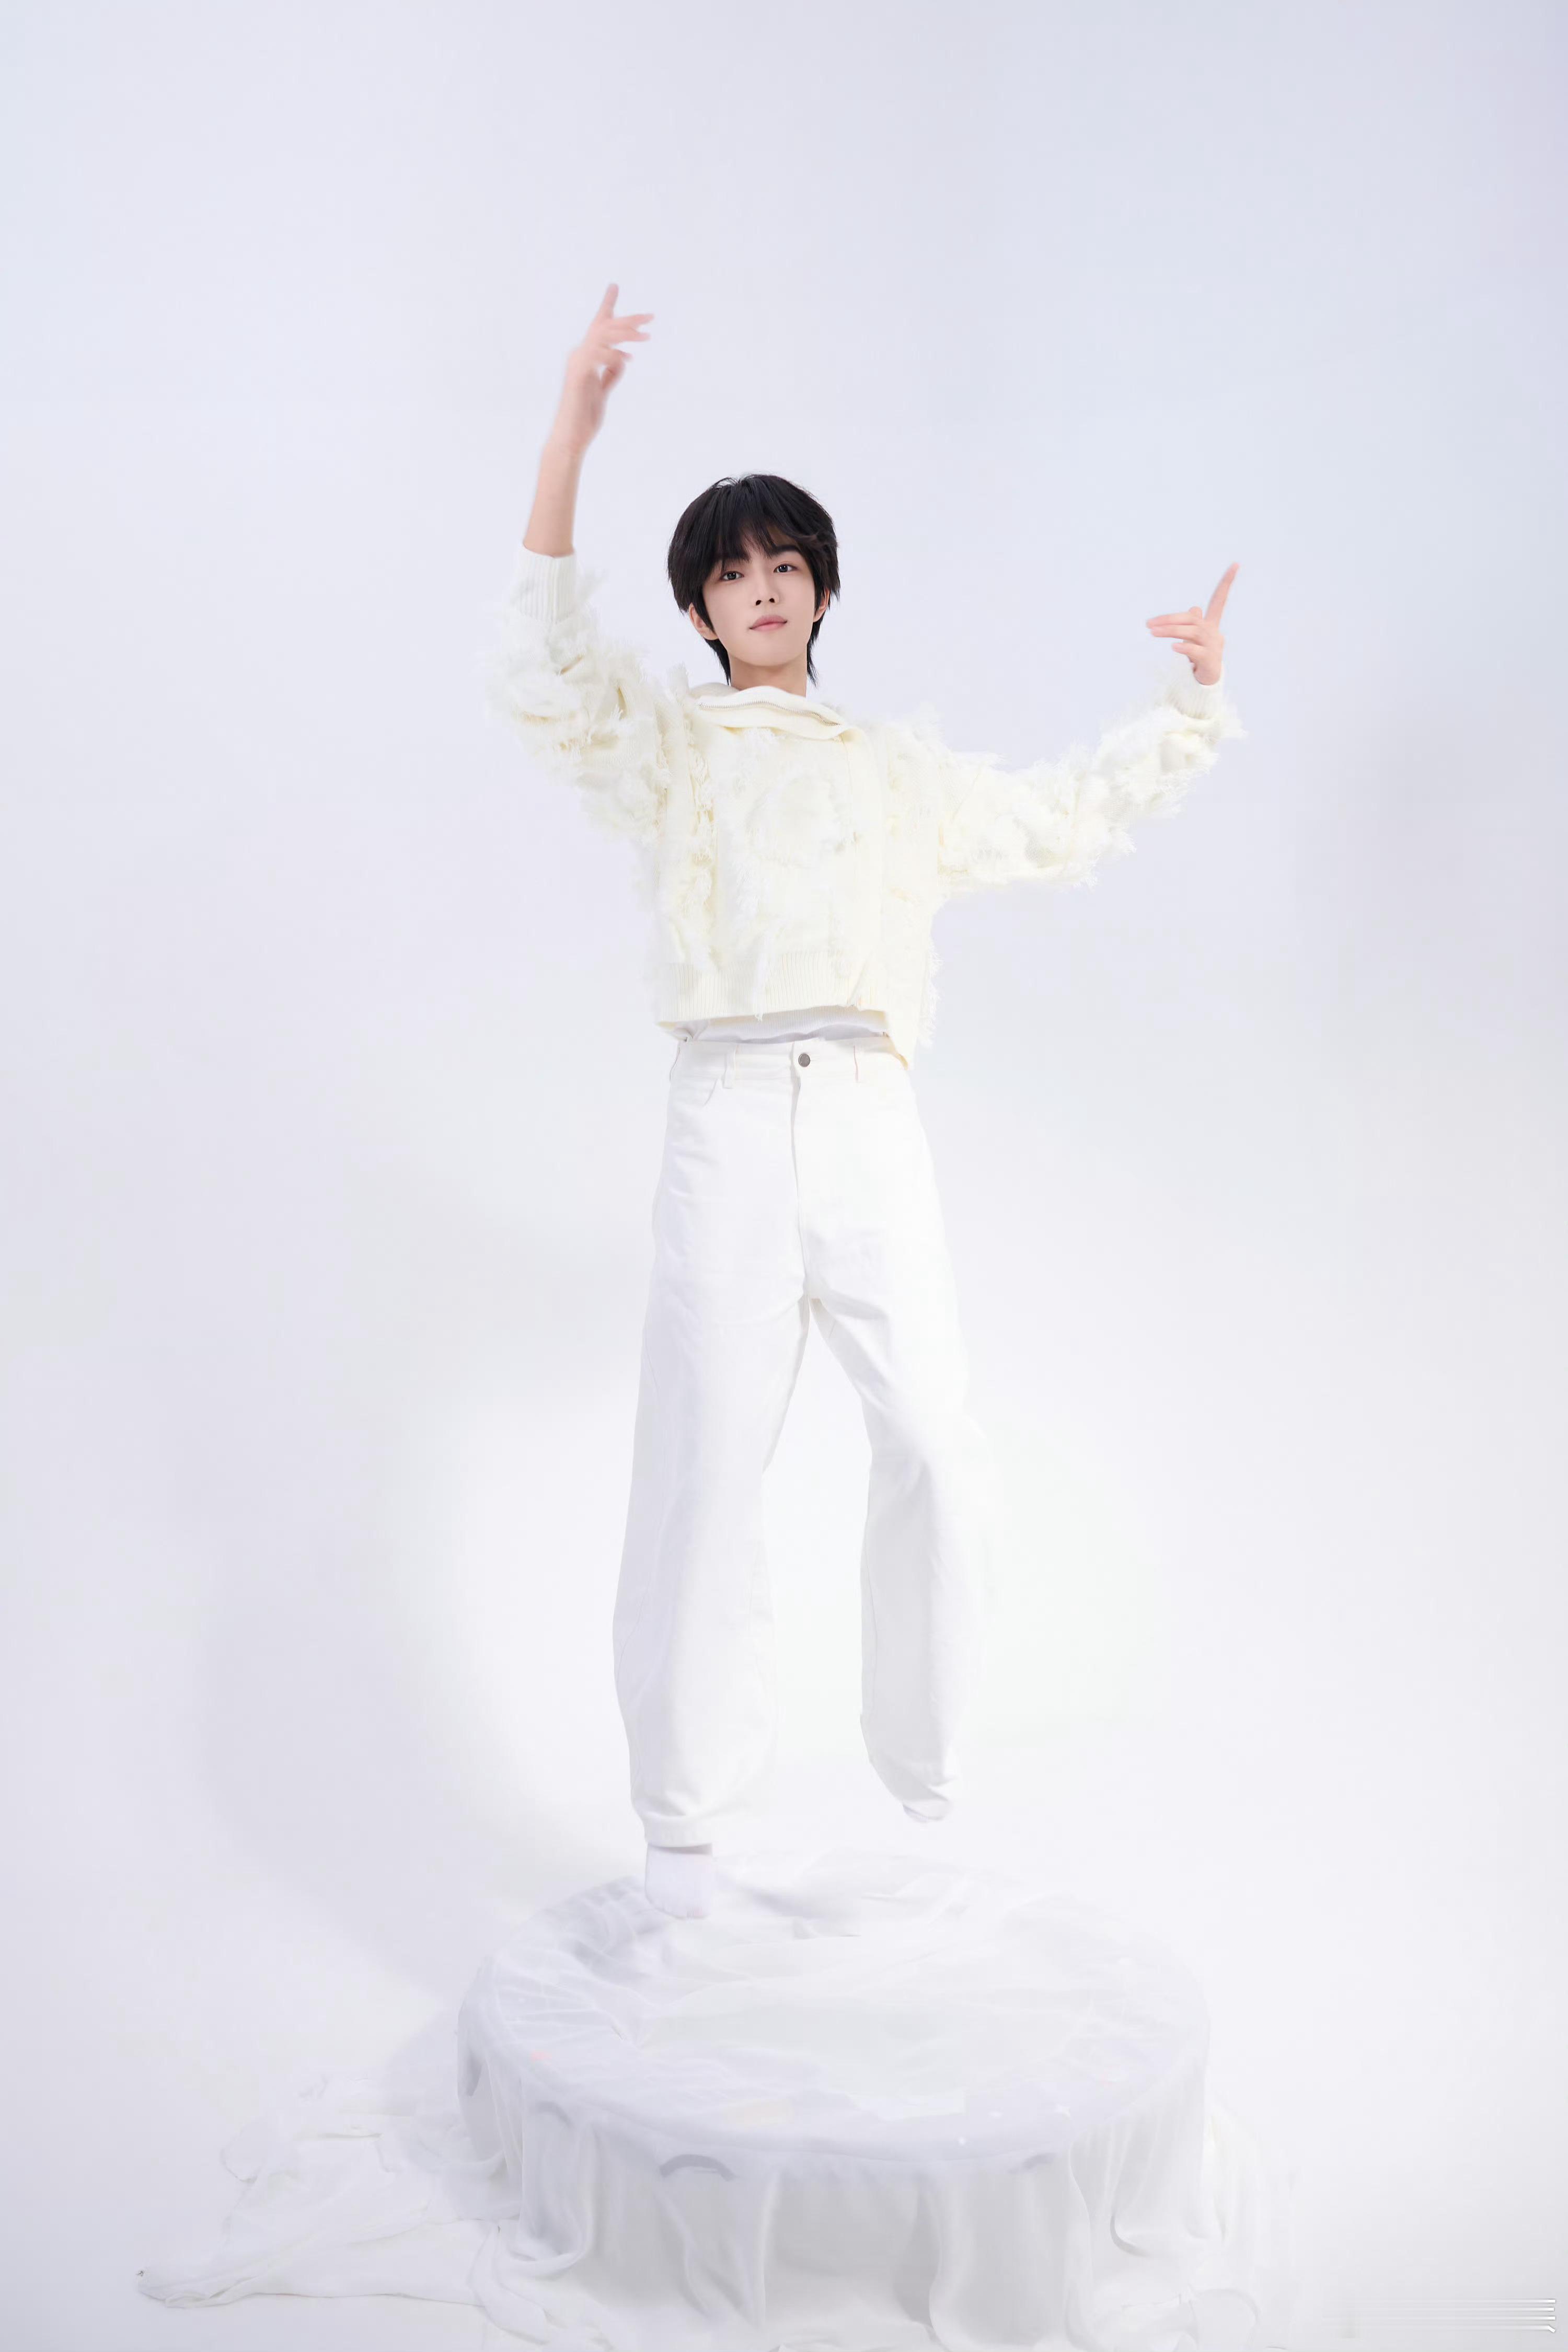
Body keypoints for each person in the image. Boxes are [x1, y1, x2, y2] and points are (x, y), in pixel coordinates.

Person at [487, 285, 1243, 1919]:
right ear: (701, 611)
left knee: (936, 1443)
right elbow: (548, 664)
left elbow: (1053, 816)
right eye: (730, 574)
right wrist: (570, 435)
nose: (761, 589)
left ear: (822, 588)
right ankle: (682, 1828)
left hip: (868, 1112)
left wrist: (1187, 707)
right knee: (703, 1462)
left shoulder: (894, 769)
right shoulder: (674, 748)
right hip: (727, 1108)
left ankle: (926, 1750)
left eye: (784, 564)